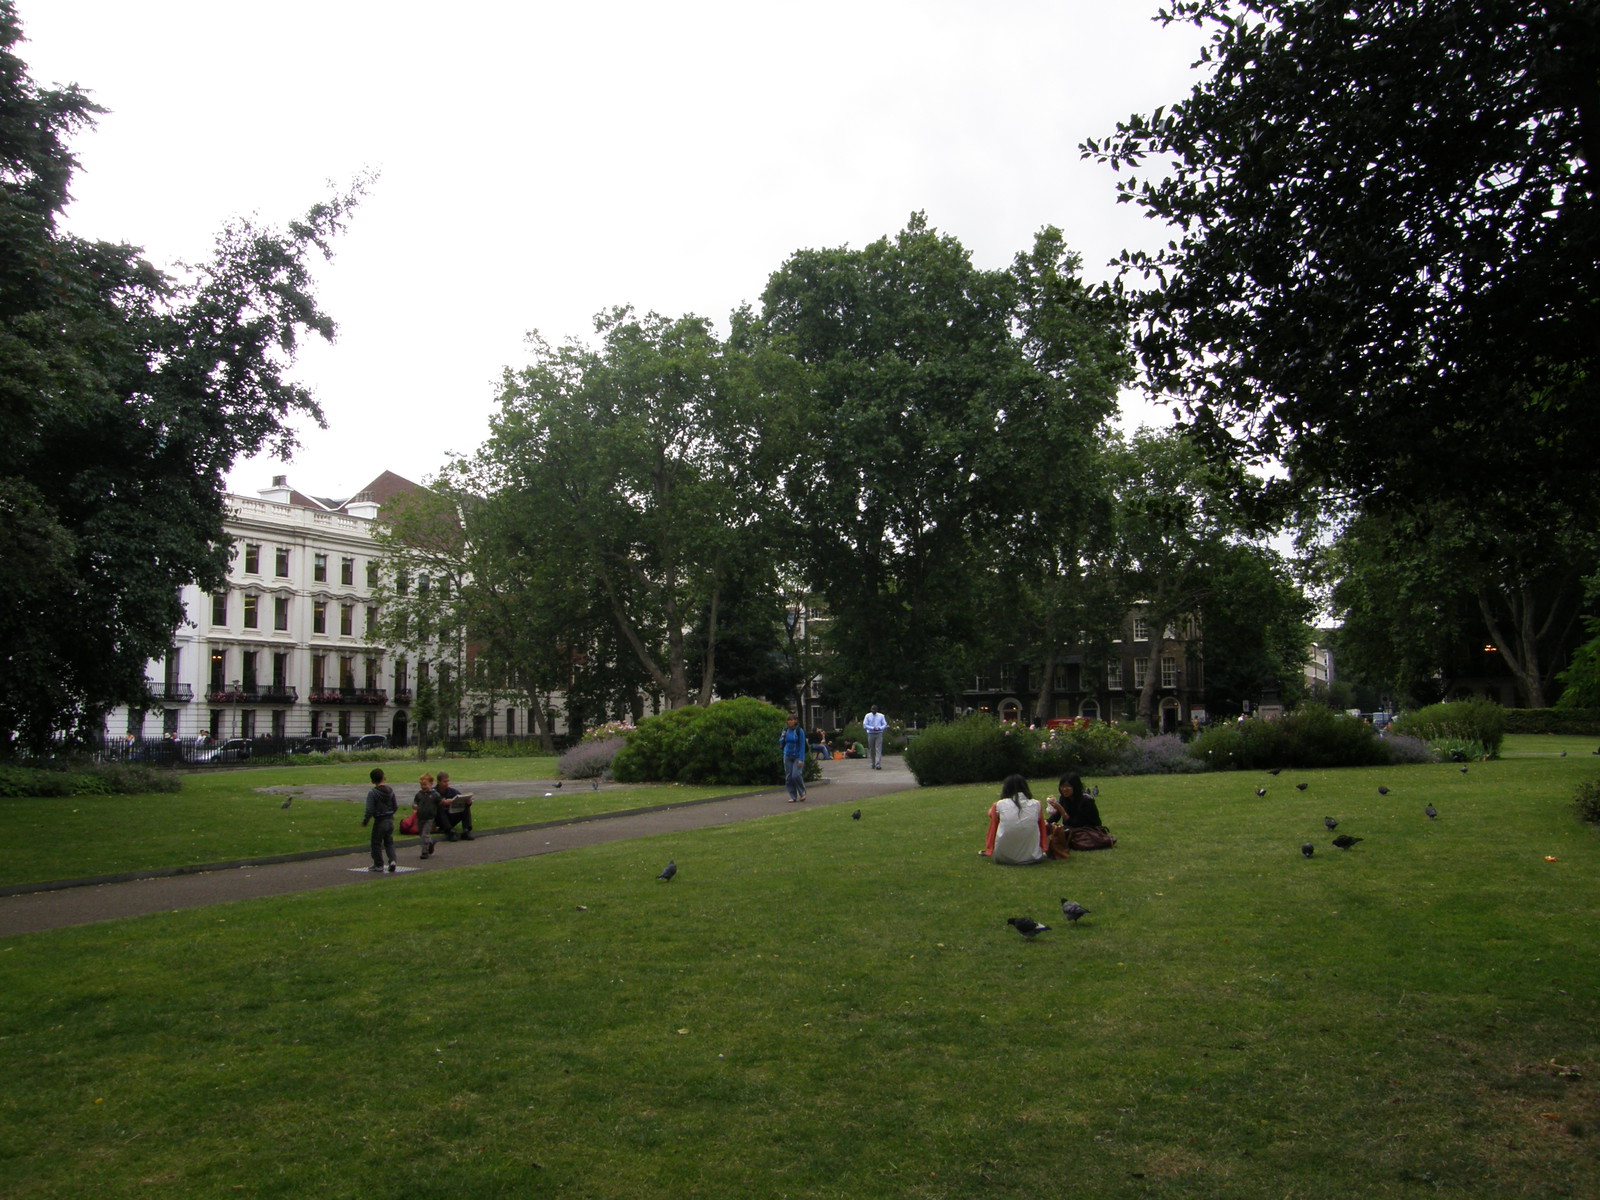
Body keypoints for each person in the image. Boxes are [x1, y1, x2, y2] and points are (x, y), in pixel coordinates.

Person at [982, 774, 1047, 864]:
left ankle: (992, 849)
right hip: (1032, 857)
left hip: (1002, 857)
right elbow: (1042, 828)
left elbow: (991, 815)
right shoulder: (1036, 804)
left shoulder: (999, 804)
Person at [361, 767, 399, 872]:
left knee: (376, 843)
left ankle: (378, 864)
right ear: (384, 778)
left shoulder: (373, 793)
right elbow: (395, 806)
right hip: (390, 820)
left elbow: (369, 809)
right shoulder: (390, 791)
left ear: (372, 781)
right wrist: (391, 813)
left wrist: (365, 821)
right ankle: (392, 860)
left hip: (380, 820)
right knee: (389, 842)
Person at [435, 770, 475, 841]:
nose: (447, 784)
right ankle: (449, 832)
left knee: (465, 806)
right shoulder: (433, 792)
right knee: (439, 808)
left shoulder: (452, 791)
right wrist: (442, 802)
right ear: (438, 782)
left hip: (450, 816)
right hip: (438, 820)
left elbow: (461, 797)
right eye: (444, 781)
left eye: (448, 781)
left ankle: (466, 830)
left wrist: (468, 802)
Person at [779, 712, 809, 803]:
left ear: (795, 721)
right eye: (789, 720)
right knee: (789, 777)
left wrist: (801, 759)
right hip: (787, 755)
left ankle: (802, 792)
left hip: (797, 756)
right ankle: (792, 796)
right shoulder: (785, 730)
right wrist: (782, 737)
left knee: (796, 775)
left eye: (792, 720)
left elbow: (802, 745)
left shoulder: (799, 731)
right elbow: (781, 742)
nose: (790, 722)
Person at [412, 772, 442, 859]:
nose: (423, 787)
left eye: (425, 785)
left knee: (425, 834)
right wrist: (415, 806)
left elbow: (440, 801)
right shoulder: (419, 794)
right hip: (420, 817)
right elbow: (415, 802)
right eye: (421, 785)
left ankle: (425, 851)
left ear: (431, 784)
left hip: (429, 818)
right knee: (421, 834)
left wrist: (446, 802)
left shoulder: (435, 795)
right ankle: (430, 843)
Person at [863, 705, 888, 770]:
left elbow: (885, 724)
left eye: (874, 709)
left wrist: (880, 728)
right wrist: (872, 728)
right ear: (871, 709)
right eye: (872, 709)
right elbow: (865, 725)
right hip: (871, 733)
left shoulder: (881, 716)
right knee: (871, 749)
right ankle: (873, 763)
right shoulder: (867, 716)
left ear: (877, 710)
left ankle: (878, 764)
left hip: (878, 733)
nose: (873, 710)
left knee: (878, 749)